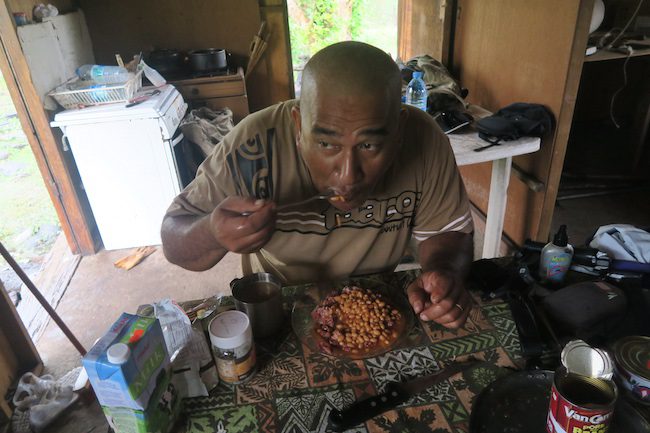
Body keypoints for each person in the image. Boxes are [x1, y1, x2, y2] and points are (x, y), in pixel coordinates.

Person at [161, 41, 474, 328]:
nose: (349, 176)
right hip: (278, 310)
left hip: (377, 307)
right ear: (298, 126)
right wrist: (213, 232)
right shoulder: (253, 147)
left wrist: (443, 271)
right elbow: (174, 239)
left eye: (368, 146)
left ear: (399, 131)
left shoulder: (425, 141)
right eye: (327, 144)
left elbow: (447, 231)